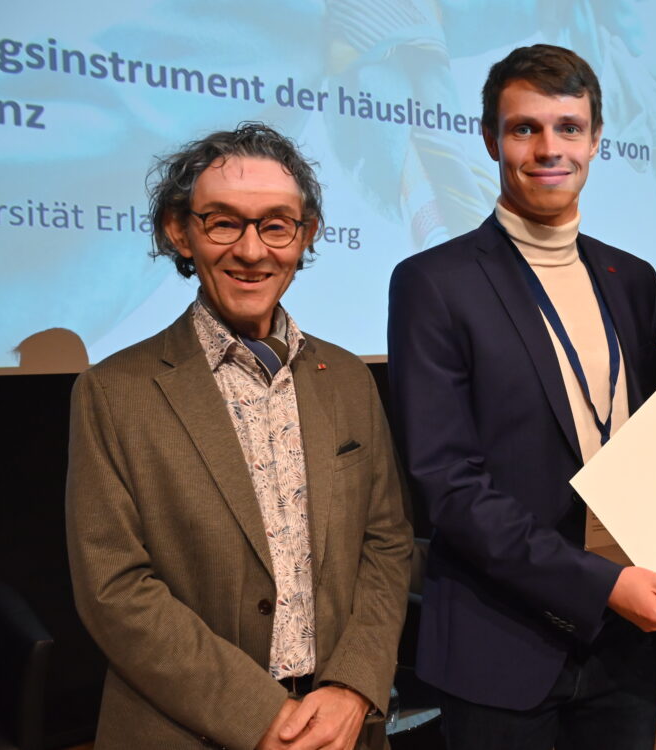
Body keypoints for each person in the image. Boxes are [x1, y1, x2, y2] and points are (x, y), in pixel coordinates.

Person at [386, 44, 656, 749]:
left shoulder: (632, 277)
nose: (548, 148)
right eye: (525, 128)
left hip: (626, 644)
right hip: (502, 645)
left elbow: (627, 436)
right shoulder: (434, 282)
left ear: (595, 139)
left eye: (568, 127)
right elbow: (450, 489)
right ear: (491, 137)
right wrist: (599, 584)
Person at [65, 123, 412, 750]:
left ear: (304, 235)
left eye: (276, 225)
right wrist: (261, 714)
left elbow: (385, 545)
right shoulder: (113, 392)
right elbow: (114, 588)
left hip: (341, 727)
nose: (253, 251)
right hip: (185, 728)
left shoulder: (349, 378)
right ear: (180, 230)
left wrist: (354, 687)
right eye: (224, 222)